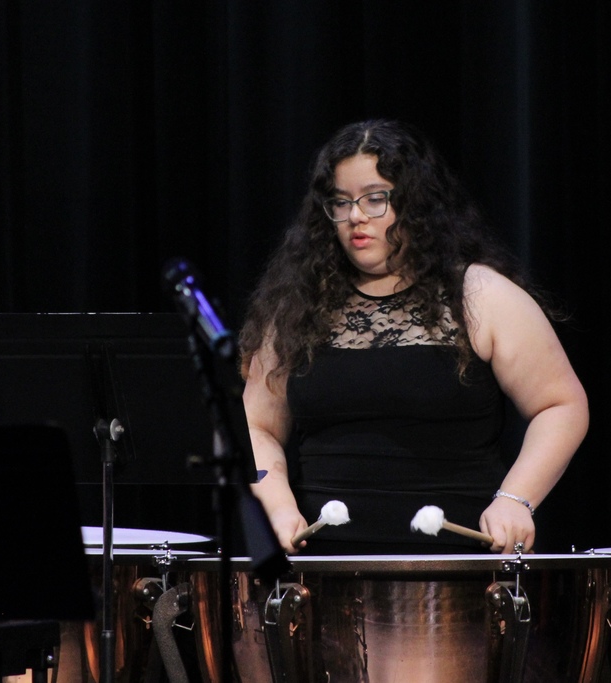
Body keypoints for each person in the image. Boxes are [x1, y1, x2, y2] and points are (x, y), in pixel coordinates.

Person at [238, 119, 588, 555]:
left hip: (457, 565)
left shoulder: (482, 297)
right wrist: (275, 504)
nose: (355, 216)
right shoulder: (297, 306)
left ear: (415, 204)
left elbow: (561, 405)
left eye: (375, 199)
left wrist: (516, 499)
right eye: (341, 202)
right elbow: (255, 426)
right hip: (323, 563)